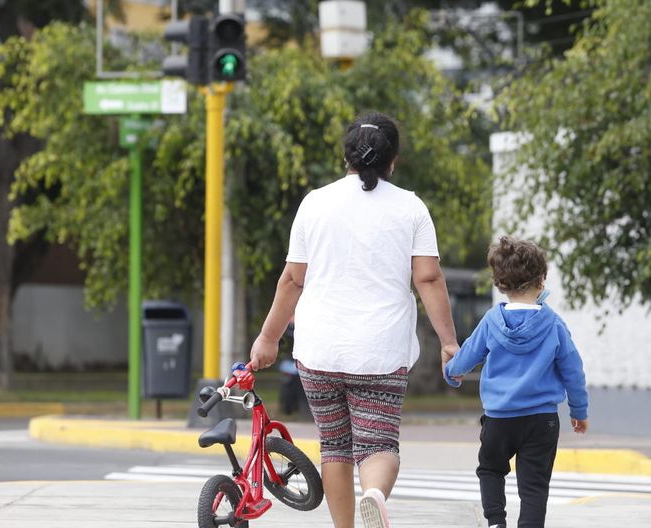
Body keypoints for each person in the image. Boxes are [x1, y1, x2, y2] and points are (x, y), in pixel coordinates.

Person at [247, 112, 459, 528]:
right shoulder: (411, 208)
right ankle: (375, 496)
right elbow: (428, 278)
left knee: (335, 447)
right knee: (379, 442)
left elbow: (292, 279)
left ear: (346, 157)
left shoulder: (315, 203)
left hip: (319, 350)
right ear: (392, 160)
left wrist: (268, 338)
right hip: (381, 351)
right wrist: (449, 341)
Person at [443, 236, 589, 528]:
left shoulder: (491, 321)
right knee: (534, 485)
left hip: (500, 419)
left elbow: (468, 355)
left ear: (500, 284)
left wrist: (452, 371)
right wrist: (579, 411)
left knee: (490, 470)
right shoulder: (554, 325)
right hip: (542, 420)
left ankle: (496, 522)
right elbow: (574, 372)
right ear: (542, 279)